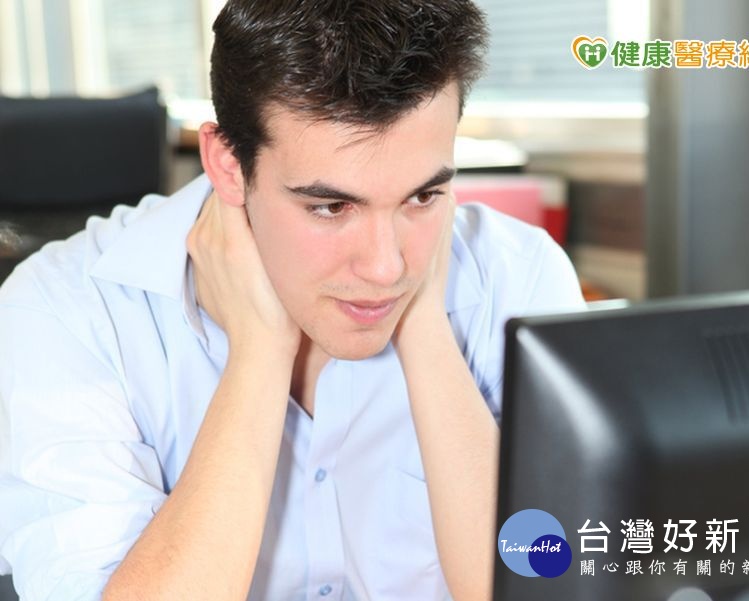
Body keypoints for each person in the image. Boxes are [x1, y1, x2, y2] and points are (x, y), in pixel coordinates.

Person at [0, 1, 584, 600]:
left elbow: (551, 586)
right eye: (330, 207)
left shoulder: (517, 275)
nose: (386, 267)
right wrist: (259, 354)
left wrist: (426, 330)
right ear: (229, 165)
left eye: (422, 196)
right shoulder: (64, 312)